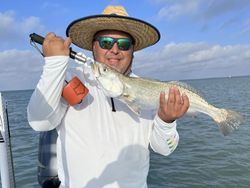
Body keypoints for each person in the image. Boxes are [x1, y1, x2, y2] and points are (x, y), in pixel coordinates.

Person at [27, 5, 189, 188]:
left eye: (124, 44)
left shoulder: (148, 90)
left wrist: (167, 121)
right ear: (93, 46)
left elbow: (166, 148)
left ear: (132, 51)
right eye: (105, 42)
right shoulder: (68, 78)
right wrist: (54, 65)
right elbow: (39, 122)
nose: (114, 50)